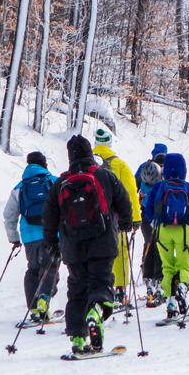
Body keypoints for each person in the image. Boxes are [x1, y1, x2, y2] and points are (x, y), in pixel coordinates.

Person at [42, 135, 133, 356]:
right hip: (102, 242)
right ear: (90, 152)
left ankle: (78, 339)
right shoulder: (105, 176)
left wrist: (53, 244)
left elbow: (49, 216)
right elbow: (124, 201)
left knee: (77, 290)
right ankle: (97, 311)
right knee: (101, 282)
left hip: (72, 247)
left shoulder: (62, 182)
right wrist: (126, 225)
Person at [2, 152, 61, 323]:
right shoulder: (54, 181)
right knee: (50, 268)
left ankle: (34, 308)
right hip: (52, 234)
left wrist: (14, 238)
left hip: (29, 238)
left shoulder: (20, 187)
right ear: (45, 164)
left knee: (33, 269)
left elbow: (9, 215)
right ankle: (44, 299)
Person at [143, 153, 189, 320]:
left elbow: (148, 212)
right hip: (183, 231)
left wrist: (153, 221)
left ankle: (170, 303)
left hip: (163, 231)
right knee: (184, 265)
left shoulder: (159, 187)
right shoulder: (188, 187)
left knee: (167, 267)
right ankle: (182, 286)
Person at [92, 129, 140, 306]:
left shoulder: (86, 165)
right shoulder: (119, 164)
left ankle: (97, 292)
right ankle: (119, 292)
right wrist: (134, 219)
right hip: (115, 220)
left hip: (91, 220)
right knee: (119, 255)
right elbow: (130, 193)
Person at [133, 144, 168, 306]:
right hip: (161, 216)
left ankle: (148, 281)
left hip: (146, 214)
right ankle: (159, 281)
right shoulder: (166, 170)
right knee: (160, 247)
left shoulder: (144, 167)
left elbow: (134, 186)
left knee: (148, 244)